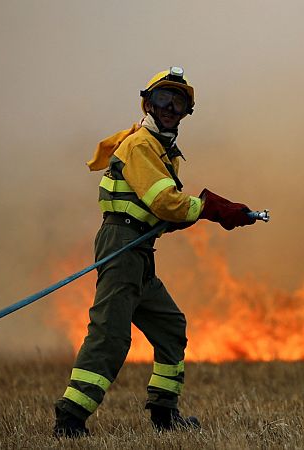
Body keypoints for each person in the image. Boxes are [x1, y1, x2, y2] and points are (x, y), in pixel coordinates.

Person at [53, 67, 256, 437]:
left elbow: (166, 214)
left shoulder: (164, 152)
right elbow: (165, 202)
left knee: (170, 327)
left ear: (185, 113)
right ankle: (70, 419)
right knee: (110, 335)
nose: (170, 106)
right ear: (147, 102)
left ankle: (164, 413)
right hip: (121, 247)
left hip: (140, 249)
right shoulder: (141, 146)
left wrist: (218, 212)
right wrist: (211, 207)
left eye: (179, 102)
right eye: (164, 98)